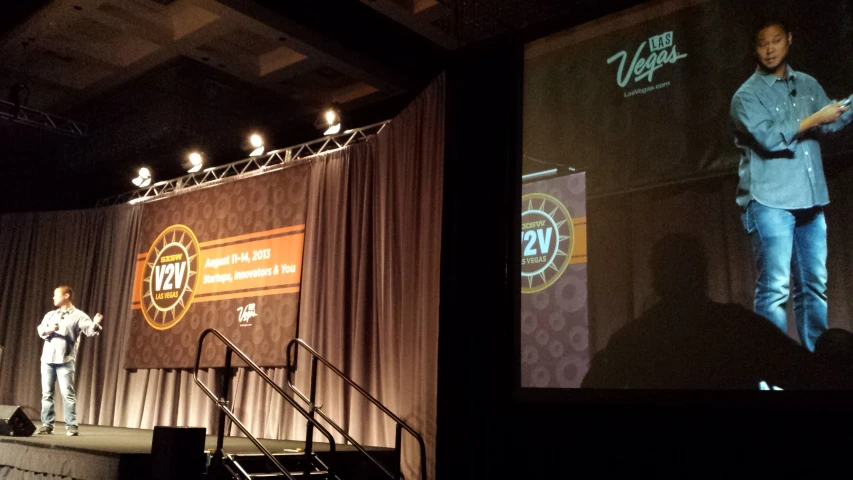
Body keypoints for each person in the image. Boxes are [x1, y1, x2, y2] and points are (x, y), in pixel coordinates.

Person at [730, 19, 853, 351]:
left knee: (814, 286)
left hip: (811, 200)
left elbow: (831, 122)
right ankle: (772, 374)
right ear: (754, 49)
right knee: (775, 290)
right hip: (771, 201)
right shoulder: (746, 96)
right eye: (762, 43)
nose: (770, 49)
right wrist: (817, 118)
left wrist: (843, 109)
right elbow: (770, 137)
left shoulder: (808, 84)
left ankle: (818, 365)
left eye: (776, 40)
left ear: (789, 41)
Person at [36, 286, 103, 436]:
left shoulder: (79, 315)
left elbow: (90, 331)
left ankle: (71, 426)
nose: (53, 297)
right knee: (47, 393)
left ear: (66, 295)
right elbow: (40, 330)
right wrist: (50, 329)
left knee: (68, 394)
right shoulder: (50, 315)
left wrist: (96, 323)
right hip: (47, 359)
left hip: (65, 360)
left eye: (56, 295)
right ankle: (47, 425)